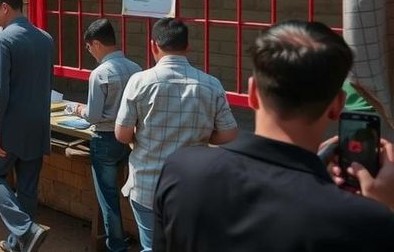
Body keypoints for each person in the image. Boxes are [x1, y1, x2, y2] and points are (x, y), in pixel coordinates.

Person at [154, 20, 394, 251]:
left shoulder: (183, 169)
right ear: (337, 105)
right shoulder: (365, 221)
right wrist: (383, 210)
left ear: (252, 93)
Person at [115, 17, 238, 252]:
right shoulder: (211, 85)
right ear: (187, 47)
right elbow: (229, 133)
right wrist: (206, 137)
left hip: (148, 185)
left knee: (151, 246)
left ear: (153, 45)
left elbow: (122, 134)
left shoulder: (140, 82)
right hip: (194, 187)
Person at [0, 0, 53, 252]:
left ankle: (26, 229)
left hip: (10, 124)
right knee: (27, 186)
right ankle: (18, 243)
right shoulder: (45, 38)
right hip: (38, 123)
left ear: (5, 8)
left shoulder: (4, 38)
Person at [71, 19, 142, 252]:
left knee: (108, 198)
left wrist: (78, 109)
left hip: (104, 139)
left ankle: (116, 245)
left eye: (89, 47)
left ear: (97, 43)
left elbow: (92, 115)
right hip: (130, 139)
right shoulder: (136, 69)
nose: (89, 52)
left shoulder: (100, 73)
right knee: (131, 193)